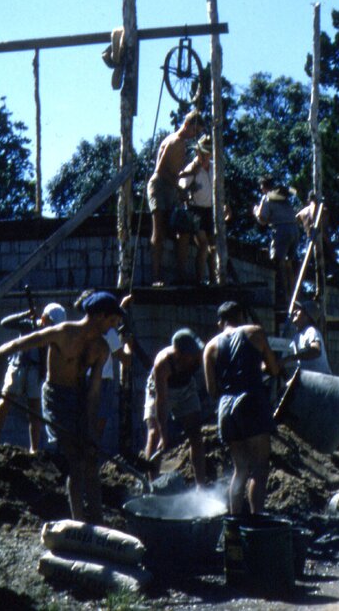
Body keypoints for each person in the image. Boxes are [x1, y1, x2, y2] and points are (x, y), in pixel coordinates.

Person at [0, 291, 125, 524]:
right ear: (100, 316)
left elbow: (93, 393)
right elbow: (15, 345)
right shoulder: (62, 333)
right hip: (55, 398)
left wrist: (92, 430)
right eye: (112, 321)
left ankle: (97, 521)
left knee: (91, 457)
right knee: (75, 459)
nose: (114, 327)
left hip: (79, 398)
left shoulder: (102, 348)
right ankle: (79, 523)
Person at [203, 301, 281, 514]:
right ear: (241, 316)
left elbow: (211, 390)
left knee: (240, 470)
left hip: (225, 408)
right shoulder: (255, 332)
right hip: (251, 401)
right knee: (260, 467)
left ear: (221, 321)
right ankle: (256, 521)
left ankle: (234, 524)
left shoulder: (210, 347)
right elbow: (273, 369)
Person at [0, 302, 67, 453]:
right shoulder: (28, 324)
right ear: (44, 318)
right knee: (4, 402)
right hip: (18, 366)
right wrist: (25, 314)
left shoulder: (54, 334)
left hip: (36, 371)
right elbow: (5, 323)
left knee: (34, 411)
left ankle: (34, 449)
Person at [144, 328, 208, 486]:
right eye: (190, 355)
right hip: (160, 391)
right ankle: (152, 484)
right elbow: (162, 400)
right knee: (155, 434)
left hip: (186, 389)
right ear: (179, 353)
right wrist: (164, 432)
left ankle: (201, 486)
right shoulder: (163, 363)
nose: (194, 358)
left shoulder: (199, 355)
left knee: (196, 435)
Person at [147, 109, 203, 285]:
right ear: (187, 125)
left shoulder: (182, 145)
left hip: (170, 187)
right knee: (159, 231)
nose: (195, 135)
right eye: (194, 131)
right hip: (159, 186)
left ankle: (181, 273)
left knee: (183, 229)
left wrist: (186, 177)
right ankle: (156, 277)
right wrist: (179, 189)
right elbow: (161, 171)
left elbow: (174, 172)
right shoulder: (174, 142)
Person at [72, 290, 133, 447]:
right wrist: (127, 345)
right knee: (97, 426)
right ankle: (91, 457)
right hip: (102, 382)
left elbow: (111, 318)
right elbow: (125, 359)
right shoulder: (110, 333)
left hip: (82, 379)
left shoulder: (85, 328)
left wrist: (123, 306)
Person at [252, 176, 298, 303]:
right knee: (290, 263)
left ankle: (283, 294)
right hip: (294, 230)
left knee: (278, 262)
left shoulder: (267, 198)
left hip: (282, 230)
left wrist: (256, 212)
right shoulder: (284, 198)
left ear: (264, 187)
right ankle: (293, 293)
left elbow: (262, 220)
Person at [179, 134, 217, 284]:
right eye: (202, 153)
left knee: (213, 247)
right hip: (196, 210)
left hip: (211, 211)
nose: (204, 156)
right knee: (203, 244)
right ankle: (200, 280)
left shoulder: (214, 167)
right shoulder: (192, 168)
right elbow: (181, 186)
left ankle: (214, 280)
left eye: (207, 153)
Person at [282, 300, 331, 375]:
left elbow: (316, 350)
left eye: (298, 310)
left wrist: (292, 358)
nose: (294, 312)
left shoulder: (311, 331)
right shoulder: (297, 336)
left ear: (307, 316)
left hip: (321, 381)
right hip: (310, 381)